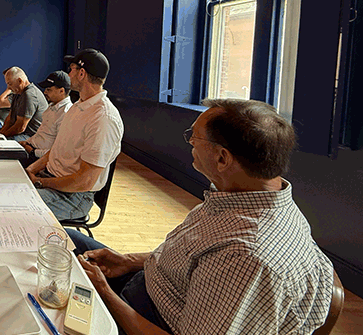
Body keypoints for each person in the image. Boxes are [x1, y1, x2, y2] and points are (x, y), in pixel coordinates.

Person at [70, 99, 334, 335]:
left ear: (222, 158)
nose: (190, 145)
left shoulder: (246, 257)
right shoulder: (241, 199)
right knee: (63, 238)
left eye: (194, 138)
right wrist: (128, 261)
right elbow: (188, 260)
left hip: (147, 317)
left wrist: (103, 292)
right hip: (147, 284)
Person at [25, 49, 123, 220]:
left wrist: (40, 182)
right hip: (50, 181)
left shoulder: (103, 118)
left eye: (71, 69)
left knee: (13, 206)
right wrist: (31, 169)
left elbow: (84, 181)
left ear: (82, 73)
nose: (69, 74)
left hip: (73, 197)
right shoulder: (78, 107)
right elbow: (58, 150)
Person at [18, 70, 73, 159]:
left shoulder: (66, 113)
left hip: (38, 157)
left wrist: (33, 152)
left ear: (61, 91)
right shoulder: (51, 106)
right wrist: (26, 142)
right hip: (30, 148)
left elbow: (59, 151)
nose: (45, 92)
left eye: (49, 89)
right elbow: (41, 133)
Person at [0, 66, 48, 140]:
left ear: (20, 81)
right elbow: (10, 118)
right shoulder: (17, 92)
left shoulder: (29, 95)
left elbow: (20, 127)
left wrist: (3, 136)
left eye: (10, 84)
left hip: (32, 136)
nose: (8, 87)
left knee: (2, 142)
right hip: (22, 133)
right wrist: (1, 133)